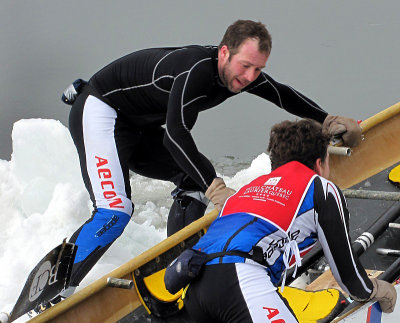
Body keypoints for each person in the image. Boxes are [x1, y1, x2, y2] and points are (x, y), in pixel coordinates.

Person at [57, 20, 361, 299]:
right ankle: (55, 293)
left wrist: (327, 120)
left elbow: (281, 94)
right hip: (100, 110)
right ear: (225, 52)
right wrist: (215, 187)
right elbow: (175, 134)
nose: (249, 77)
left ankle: (177, 273)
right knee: (114, 212)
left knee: (192, 180)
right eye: (245, 66)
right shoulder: (197, 70)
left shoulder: (240, 73)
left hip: (137, 127)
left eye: (257, 69)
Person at [182, 119, 396, 323]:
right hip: (239, 283)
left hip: (194, 289)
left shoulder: (247, 190)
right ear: (320, 164)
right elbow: (351, 280)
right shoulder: (321, 187)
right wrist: (381, 290)